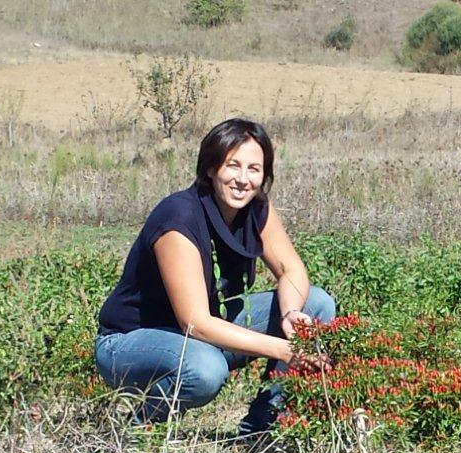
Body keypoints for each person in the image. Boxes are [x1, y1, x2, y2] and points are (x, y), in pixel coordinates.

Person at [94, 118, 334, 434]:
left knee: (315, 303)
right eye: (233, 166)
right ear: (211, 169)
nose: (243, 179)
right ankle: (136, 430)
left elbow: (291, 269)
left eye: (254, 169)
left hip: (200, 335)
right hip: (131, 343)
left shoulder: (256, 208)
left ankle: (263, 426)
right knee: (205, 369)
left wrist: (290, 314)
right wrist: (282, 349)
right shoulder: (179, 217)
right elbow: (195, 323)